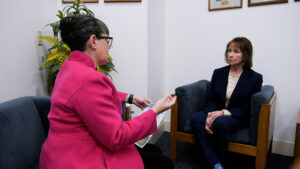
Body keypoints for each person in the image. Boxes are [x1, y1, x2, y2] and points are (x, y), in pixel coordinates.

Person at [39, 15, 176, 169]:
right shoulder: (89, 78)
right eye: (107, 40)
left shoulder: (70, 67)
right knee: (163, 163)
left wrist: (129, 98)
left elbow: (85, 98)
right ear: (93, 41)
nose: (109, 46)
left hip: (59, 154)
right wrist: (155, 111)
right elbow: (118, 137)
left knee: (154, 151)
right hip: (80, 159)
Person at [190, 37, 263, 169]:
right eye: (229, 51)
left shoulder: (255, 78)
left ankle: (219, 161)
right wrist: (210, 114)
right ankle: (215, 163)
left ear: (245, 54)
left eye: (236, 51)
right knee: (196, 118)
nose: (230, 55)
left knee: (220, 122)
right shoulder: (219, 73)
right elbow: (211, 97)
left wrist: (222, 113)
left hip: (236, 116)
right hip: (215, 111)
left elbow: (246, 107)